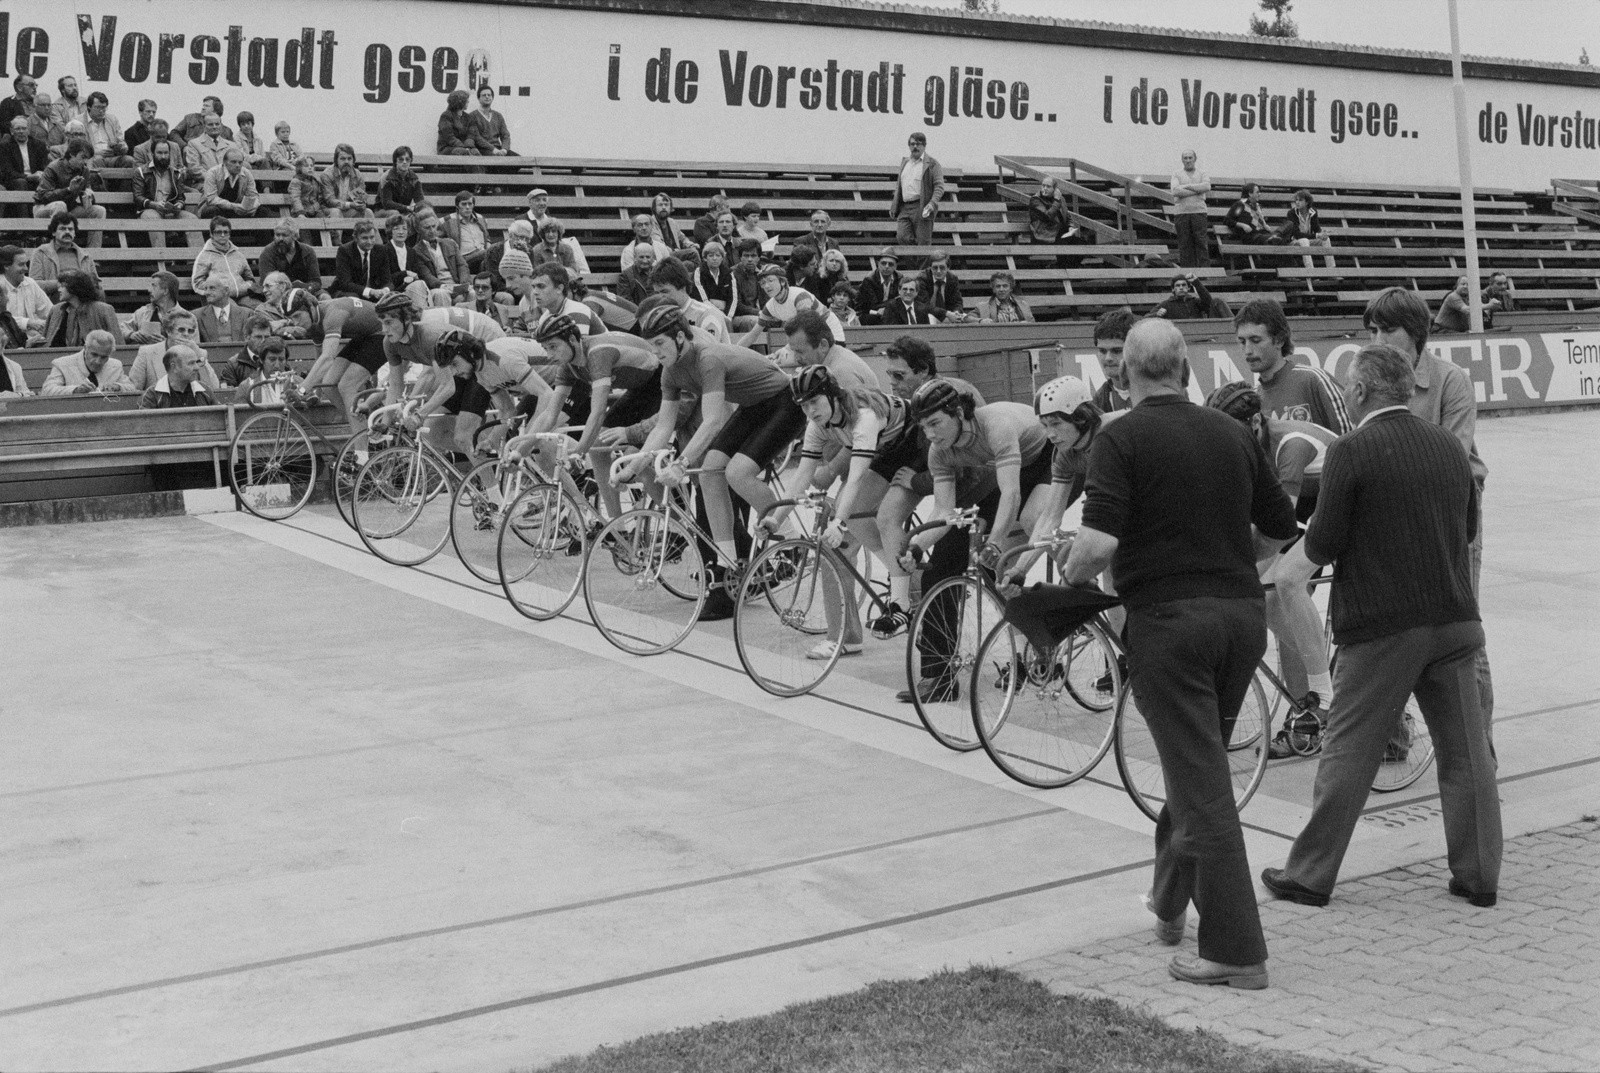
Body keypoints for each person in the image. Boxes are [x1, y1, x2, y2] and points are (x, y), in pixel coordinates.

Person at [1062, 317, 1297, 989]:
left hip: (1170, 626)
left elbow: (1100, 544)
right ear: (1185, 367)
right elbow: (1281, 528)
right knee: (1194, 767)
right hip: (1238, 619)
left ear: (1126, 371)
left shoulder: (1119, 437)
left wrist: (1063, 574)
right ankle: (1169, 904)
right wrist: (1224, 557)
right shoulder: (1230, 431)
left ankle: (1236, 949)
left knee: (1203, 786)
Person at [1261, 344, 1500, 910]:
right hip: (1456, 619)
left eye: (1348, 387)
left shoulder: (1351, 451)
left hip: (1383, 626)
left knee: (1349, 750)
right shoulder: (1448, 444)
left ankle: (1310, 874)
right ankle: (1479, 876)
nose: (1344, 394)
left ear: (1363, 391)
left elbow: (1322, 544)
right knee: (1467, 755)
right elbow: (1467, 528)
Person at [619, 298, 806, 621]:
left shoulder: (707, 358)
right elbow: (664, 425)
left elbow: (712, 421)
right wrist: (637, 464)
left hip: (784, 404)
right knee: (709, 473)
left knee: (736, 473)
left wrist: (680, 463)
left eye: (660, 344)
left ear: (680, 337)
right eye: (651, 347)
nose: (656, 353)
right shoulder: (670, 371)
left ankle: (791, 541)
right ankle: (727, 564)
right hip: (753, 407)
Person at [1362, 287, 1493, 726]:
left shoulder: (1450, 381)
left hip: (1452, 522)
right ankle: (1395, 738)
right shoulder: (1372, 385)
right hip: (1394, 521)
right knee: (1393, 630)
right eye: (1373, 330)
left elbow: (1451, 460)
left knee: (1463, 634)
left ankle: (1481, 750)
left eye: (1388, 330)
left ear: (1415, 332)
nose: (1377, 341)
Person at [1206, 382, 1339, 759]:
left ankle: (1326, 695)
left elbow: (1277, 530)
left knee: (1286, 578)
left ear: (1255, 423)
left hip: (1341, 504)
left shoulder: (1291, 445)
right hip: (1308, 508)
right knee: (1265, 598)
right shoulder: (1245, 439)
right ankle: (1311, 689)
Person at [899, 383, 1053, 703]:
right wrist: (917, 545)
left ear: (958, 414)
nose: (929, 433)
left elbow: (1011, 495)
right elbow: (945, 510)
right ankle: (939, 676)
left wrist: (994, 545)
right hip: (1003, 473)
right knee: (939, 569)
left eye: (935, 423)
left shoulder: (996, 426)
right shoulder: (939, 449)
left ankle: (1044, 641)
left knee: (996, 567)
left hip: (1044, 462)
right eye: (923, 426)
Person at [764, 365, 916, 660]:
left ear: (832, 395)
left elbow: (856, 478)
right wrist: (776, 519)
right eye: (804, 405)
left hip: (913, 444)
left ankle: (905, 591)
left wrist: (838, 522)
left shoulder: (865, 416)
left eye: (814, 402)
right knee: (852, 521)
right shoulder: (817, 424)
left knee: (856, 514)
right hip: (884, 450)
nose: (810, 411)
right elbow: (801, 476)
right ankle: (904, 578)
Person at [516, 314, 661, 520]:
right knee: (599, 447)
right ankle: (615, 526)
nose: (549, 354)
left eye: (553, 347)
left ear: (573, 340)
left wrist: (579, 452)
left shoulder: (597, 354)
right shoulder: (568, 364)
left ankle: (675, 524)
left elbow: (598, 411)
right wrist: (520, 451)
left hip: (659, 383)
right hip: (637, 390)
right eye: (545, 348)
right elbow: (550, 413)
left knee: (636, 456)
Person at [1234, 298, 1351, 434]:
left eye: (1255, 340)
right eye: (1242, 342)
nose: (1248, 350)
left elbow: (1350, 439)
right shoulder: (1254, 400)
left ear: (1279, 340)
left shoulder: (1313, 380)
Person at [289, 288, 388, 435]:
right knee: (329, 383)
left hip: (383, 332)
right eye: (292, 318)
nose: (295, 322)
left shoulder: (331, 314)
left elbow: (328, 358)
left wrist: (302, 389)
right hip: (365, 335)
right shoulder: (312, 324)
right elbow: (320, 359)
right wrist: (317, 392)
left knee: (347, 385)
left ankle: (362, 455)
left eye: (297, 316)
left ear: (310, 308)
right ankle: (366, 425)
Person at [127, 307, 220, 393]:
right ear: (169, 331)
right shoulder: (147, 353)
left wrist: (199, 355)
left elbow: (214, 387)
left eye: (190, 331)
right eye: (181, 330)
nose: (186, 334)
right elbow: (134, 389)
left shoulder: (200, 354)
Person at [32, 138, 106, 244]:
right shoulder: (53, 167)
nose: (85, 162)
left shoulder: (84, 171)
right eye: (83, 157)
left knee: (99, 211)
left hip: (69, 209)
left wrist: (89, 196)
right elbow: (43, 195)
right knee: (60, 205)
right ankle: (59, 248)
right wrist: (68, 190)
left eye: (87, 159)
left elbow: (86, 202)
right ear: (71, 154)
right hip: (43, 208)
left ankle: (94, 256)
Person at [132, 137, 200, 250]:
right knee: (154, 220)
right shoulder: (140, 172)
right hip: (149, 210)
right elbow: (138, 197)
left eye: (166, 153)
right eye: (159, 153)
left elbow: (180, 197)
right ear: (152, 153)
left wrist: (179, 205)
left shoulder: (176, 173)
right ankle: (162, 261)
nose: (163, 156)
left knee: (192, 219)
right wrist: (154, 204)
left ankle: (197, 262)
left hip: (171, 211)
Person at [649, 257, 729, 343]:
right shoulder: (661, 317)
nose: (660, 298)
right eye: (657, 293)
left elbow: (709, 352)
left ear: (682, 287)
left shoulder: (707, 314)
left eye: (665, 292)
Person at [41, 269, 120, 348]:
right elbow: (45, 343)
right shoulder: (55, 310)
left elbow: (118, 344)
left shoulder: (104, 310)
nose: (59, 290)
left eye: (62, 286)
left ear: (75, 287)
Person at [891, 132, 945, 246]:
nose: (915, 147)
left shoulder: (932, 164)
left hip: (921, 206)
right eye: (912, 144)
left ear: (924, 146)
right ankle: (914, 264)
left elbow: (939, 186)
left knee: (923, 243)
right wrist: (894, 205)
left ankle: (922, 263)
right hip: (904, 207)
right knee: (902, 237)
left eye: (918, 144)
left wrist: (932, 203)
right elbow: (899, 186)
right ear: (909, 146)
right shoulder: (905, 162)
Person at [40, 329, 131, 394]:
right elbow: (47, 390)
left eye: (104, 357)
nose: (98, 361)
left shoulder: (116, 365)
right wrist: (76, 390)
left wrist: (118, 387)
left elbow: (132, 388)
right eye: (94, 355)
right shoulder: (62, 364)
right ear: (85, 348)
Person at [332, 218, 399, 301]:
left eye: (372, 237)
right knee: (354, 298)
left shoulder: (381, 250)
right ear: (356, 238)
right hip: (348, 292)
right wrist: (370, 291)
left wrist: (384, 290)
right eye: (365, 238)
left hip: (373, 294)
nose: (369, 242)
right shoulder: (344, 250)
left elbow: (388, 281)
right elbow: (345, 283)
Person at [191, 216, 256, 300]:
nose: (222, 235)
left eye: (226, 232)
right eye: (218, 232)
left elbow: (250, 278)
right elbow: (197, 283)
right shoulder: (204, 256)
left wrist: (245, 287)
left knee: (257, 309)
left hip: (243, 296)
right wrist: (215, 292)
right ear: (211, 234)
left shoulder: (238, 254)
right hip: (220, 299)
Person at [29, 213, 98, 291]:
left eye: (70, 229)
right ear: (53, 232)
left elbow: (96, 283)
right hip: (53, 299)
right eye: (62, 229)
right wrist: (63, 284)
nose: (67, 232)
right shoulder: (41, 253)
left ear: (75, 233)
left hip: (81, 300)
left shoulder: (86, 256)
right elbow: (34, 284)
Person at [1, 245, 52, 343]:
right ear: (6, 266)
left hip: (33, 342)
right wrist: (28, 323)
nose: (26, 269)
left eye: (26, 264)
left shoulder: (30, 283)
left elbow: (49, 312)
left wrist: (45, 325)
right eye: (21, 264)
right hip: (6, 344)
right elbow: (2, 320)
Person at [1170, 149, 1211, 268]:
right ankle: (1188, 272)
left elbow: (1207, 186)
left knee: (1201, 242)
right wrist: (1197, 190)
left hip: (1199, 212)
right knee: (1185, 243)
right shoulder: (1176, 173)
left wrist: (1186, 186)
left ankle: (1204, 272)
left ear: (1195, 159)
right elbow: (1176, 191)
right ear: (1182, 160)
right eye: (1185, 158)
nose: (1188, 160)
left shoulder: (1202, 173)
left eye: (1190, 158)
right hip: (1181, 213)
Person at [1091, 307, 1137, 413]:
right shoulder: (1097, 402)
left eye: (1116, 351)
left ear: (1135, 350)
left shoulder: (1157, 395)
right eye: (1102, 351)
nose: (1108, 358)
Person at [139, 345, 216, 409]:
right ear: (174, 367)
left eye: (197, 362)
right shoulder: (152, 395)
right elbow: (145, 426)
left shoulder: (205, 391)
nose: (197, 368)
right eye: (191, 363)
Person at [1275, 188, 1334, 270]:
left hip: (1307, 239)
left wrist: (1323, 234)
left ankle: (1332, 270)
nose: (1297, 202)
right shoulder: (1291, 213)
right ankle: (1310, 271)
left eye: (1300, 200)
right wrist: (1317, 235)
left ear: (1307, 202)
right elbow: (1297, 234)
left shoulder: (1313, 212)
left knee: (1326, 240)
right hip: (1294, 241)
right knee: (1304, 240)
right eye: (1296, 200)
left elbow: (1316, 229)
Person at [258, 218, 320, 290]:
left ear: (295, 236)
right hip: (277, 293)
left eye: (284, 235)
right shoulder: (267, 252)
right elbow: (267, 283)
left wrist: (305, 287)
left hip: (305, 290)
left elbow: (316, 281)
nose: (280, 239)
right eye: (277, 235)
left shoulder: (308, 251)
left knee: (324, 296)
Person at [218, 314, 279, 387]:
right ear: (246, 337)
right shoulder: (233, 364)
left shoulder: (279, 360)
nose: (263, 341)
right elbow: (228, 395)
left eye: (267, 337)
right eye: (258, 337)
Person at [1, 116, 50, 205]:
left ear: (28, 130)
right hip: (16, 180)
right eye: (17, 129)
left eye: (24, 128)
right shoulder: (5, 146)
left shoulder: (39, 145)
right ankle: (24, 218)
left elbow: (45, 166)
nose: (21, 131)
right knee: (21, 183)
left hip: (36, 178)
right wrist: (27, 177)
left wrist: (40, 174)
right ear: (12, 131)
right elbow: (7, 172)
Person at [199, 147, 259, 218]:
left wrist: (253, 206)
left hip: (238, 209)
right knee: (212, 210)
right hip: (216, 208)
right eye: (233, 162)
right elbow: (211, 199)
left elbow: (253, 196)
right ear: (224, 162)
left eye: (240, 162)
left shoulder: (246, 173)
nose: (237, 165)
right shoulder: (212, 173)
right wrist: (233, 206)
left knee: (262, 211)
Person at [415, 213, 470, 292]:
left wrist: (463, 284)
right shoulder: (417, 251)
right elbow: (426, 276)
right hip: (437, 287)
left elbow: (462, 265)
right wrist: (445, 287)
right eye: (427, 228)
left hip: (457, 283)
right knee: (440, 294)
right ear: (418, 229)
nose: (432, 230)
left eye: (434, 226)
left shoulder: (450, 243)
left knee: (472, 293)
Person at [127, 271, 185, 343]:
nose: (149, 290)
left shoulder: (187, 317)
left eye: (153, 286)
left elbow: (193, 348)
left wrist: (166, 344)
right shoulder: (142, 312)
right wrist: (131, 335)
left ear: (165, 291)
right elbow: (121, 329)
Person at [442, 190, 491, 275]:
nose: (467, 207)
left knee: (487, 259)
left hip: (482, 257)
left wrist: (490, 249)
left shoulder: (480, 219)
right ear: (457, 206)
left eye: (470, 204)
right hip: (464, 259)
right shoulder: (448, 221)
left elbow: (487, 239)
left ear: (473, 205)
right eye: (464, 204)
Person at [1433, 275, 1501, 334]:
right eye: (1463, 284)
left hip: (1455, 331)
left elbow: (1481, 306)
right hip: (1441, 330)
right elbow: (1467, 310)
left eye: (1468, 285)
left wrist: (1494, 304)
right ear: (1457, 285)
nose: (1465, 286)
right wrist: (1489, 305)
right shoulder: (1453, 296)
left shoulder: (1469, 297)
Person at [376, 146, 426, 221]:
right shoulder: (387, 177)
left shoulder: (415, 179)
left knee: (422, 212)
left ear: (411, 161)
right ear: (395, 161)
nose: (404, 162)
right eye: (401, 159)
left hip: (404, 211)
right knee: (395, 214)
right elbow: (387, 203)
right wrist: (406, 208)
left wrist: (419, 208)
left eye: (407, 159)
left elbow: (420, 201)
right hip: (382, 211)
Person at [867, 276, 942, 326]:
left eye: (911, 290)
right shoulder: (891, 307)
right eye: (905, 289)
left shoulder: (922, 308)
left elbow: (926, 332)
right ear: (899, 291)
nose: (908, 292)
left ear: (916, 293)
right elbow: (890, 332)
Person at [325, 143, 372, 222]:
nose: (346, 162)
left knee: (368, 212)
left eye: (349, 159)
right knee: (336, 212)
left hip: (349, 211)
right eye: (342, 159)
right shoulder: (327, 175)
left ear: (353, 161)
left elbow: (360, 198)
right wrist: (350, 204)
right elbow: (330, 201)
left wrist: (361, 204)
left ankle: (372, 234)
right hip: (329, 211)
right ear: (336, 161)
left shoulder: (357, 175)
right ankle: (336, 235)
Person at [181, 110, 236, 177]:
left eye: (217, 124)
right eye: (210, 124)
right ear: (204, 126)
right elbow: (194, 168)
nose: (214, 127)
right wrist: (214, 180)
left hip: (229, 184)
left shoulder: (232, 146)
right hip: (205, 183)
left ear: (221, 125)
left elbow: (238, 166)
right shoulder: (194, 144)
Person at [917, 251, 967, 321]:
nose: (938, 271)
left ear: (948, 268)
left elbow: (957, 301)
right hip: (930, 314)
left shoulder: (953, 278)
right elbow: (924, 305)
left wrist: (956, 312)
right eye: (935, 268)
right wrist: (946, 313)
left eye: (942, 267)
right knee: (930, 318)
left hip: (948, 314)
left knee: (966, 318)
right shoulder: (922, 279)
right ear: (930, 268)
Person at [853, 248, 902, 321]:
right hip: (867, 311)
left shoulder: (899, 277)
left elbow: (900, 300)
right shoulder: (869, 279)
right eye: (883, 263)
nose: (886, 266)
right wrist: (893, 302)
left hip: (889, 311)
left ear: (895, 266)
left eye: (890, 264)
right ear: (878, 263)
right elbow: (873, 305)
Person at [196, 276, 248, 343]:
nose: (207, 292)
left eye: (212, 288)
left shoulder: (246, 314)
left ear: (226, 291)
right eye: (205, 289)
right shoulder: (197, 316)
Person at [437, 89, 488, 156]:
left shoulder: (468, 117)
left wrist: (468, 146)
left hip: (465, 147)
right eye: (466, 101)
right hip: (447, 148)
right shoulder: (446, 116)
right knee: (462, 152)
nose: (468, 102)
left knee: (475, 152)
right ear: (460, 102)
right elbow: (449, 137)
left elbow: (471, 135)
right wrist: (463, 147)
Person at [1028, 175, 1078, 243]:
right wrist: (1057, 201)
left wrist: (1070, 226)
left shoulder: (1061, 199)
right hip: (1044, 236)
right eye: (1043, 186)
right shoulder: (1035, 200)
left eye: (1048, 186)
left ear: (1055, 189)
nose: (1044, 188)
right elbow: (1048, 216)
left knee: (1082, 243)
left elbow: (1067, 215)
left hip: (1058, 233)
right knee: (1072, 244)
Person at [469, 85, 513, 155]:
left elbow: (505, 135)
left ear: (492, 98)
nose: (487, 97)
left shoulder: (498, 116)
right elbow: (477, 138)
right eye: (484, 95)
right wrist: (493, 150)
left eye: (489, 95)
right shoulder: (472, 116)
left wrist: (504, 150)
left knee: (522, 161)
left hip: (499, 150)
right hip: (483, 150)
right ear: (479, 98)